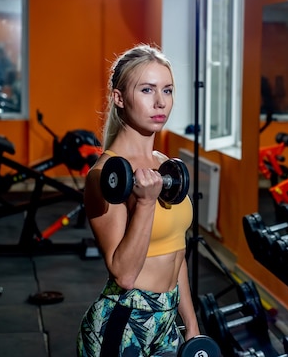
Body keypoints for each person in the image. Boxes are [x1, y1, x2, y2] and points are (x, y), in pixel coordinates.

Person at [77, 43, 199, 356]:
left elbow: (177, 252)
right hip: (124, 320)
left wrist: (192, 328)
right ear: (119, 98)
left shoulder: (165, 165)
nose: (161, 102)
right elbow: (124, 273)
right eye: (147, 90)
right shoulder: (104, 175)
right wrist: (145, 203)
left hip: (167, 319)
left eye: (167, 90)